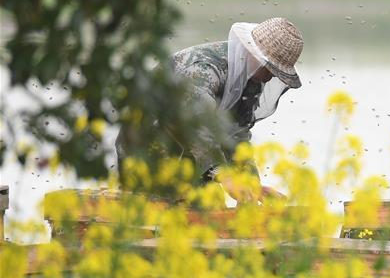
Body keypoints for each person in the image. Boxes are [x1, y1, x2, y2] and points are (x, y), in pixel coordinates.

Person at [118, 17, 303, 201]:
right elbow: (195, 127)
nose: (270, 77)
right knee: (172, 213)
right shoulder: (203, 69)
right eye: (269, 69)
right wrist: (225, 176)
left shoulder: (253, 80)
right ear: (252, 53)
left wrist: (253, 187)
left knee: (208, 207)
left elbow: (238, 136)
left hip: (194, 153)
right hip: (147, 146)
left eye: (276, 73)